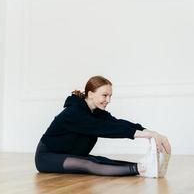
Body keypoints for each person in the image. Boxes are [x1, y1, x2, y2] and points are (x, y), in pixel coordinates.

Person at [35, 75, 171, 177]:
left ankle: (146, 166)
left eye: (110, 96)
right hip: (47, 157)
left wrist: (150, 132)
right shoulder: (73, 113)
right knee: (88, 164)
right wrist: (145, 135)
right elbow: (105, 128)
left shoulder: (97, 113)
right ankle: (142, 170)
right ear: (90, 94)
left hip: (69, 154)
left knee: (99, 160)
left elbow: (117, 123)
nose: (108, 100)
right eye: (105, 95)